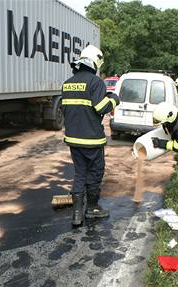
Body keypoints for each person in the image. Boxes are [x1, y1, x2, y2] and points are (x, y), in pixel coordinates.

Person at [61, 45, 120, 226]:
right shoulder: (96, 82)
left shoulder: (68, 83)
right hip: (92, 140)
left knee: (79, 173)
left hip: (73, 139)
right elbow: (102, 108)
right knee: (94, 173)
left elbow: (67, 111)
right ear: (95, 62)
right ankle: (92, 209)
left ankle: (77, 214)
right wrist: (114, 99)